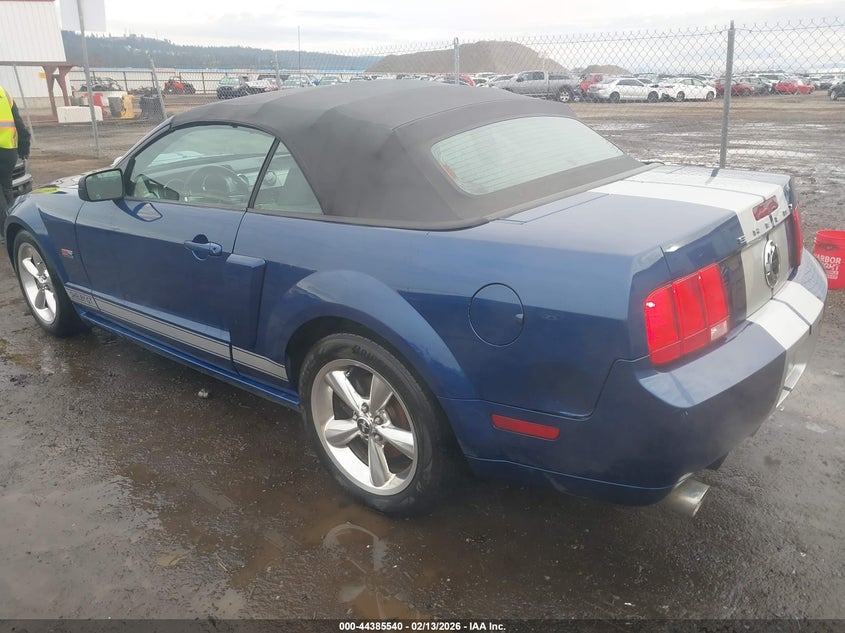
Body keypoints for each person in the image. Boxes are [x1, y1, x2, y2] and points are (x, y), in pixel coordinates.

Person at [0, 84, 32, 227]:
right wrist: (24, 148)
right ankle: (13, 223)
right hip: (8, 150)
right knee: (6, 187)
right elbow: (18, 123)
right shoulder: (4, 94)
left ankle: (5, 228)